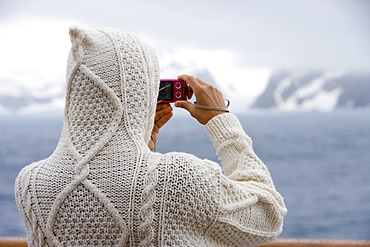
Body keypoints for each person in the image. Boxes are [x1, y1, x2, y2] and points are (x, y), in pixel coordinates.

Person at [15, 26, 287, 247]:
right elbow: (268, 216)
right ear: (139, 91)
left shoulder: (30, 183)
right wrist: (221, 120)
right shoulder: (178, 177)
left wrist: (145, 150)